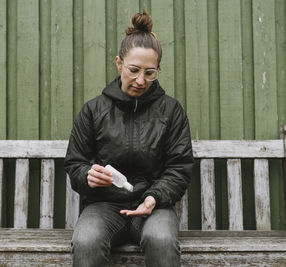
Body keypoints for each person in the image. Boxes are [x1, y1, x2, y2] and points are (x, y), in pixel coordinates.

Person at [64, 11, 195, 267]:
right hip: (104, 206)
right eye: (134, 70)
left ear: (158, 70)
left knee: (162, 240)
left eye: (150, 73)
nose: (140, 80)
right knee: (86, 242)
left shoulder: (171, 110)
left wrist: (154, 197)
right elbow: (75, 163)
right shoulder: (94, 110)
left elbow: (179, 167)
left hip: (153, 206)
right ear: (119, 63)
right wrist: (88, 176)